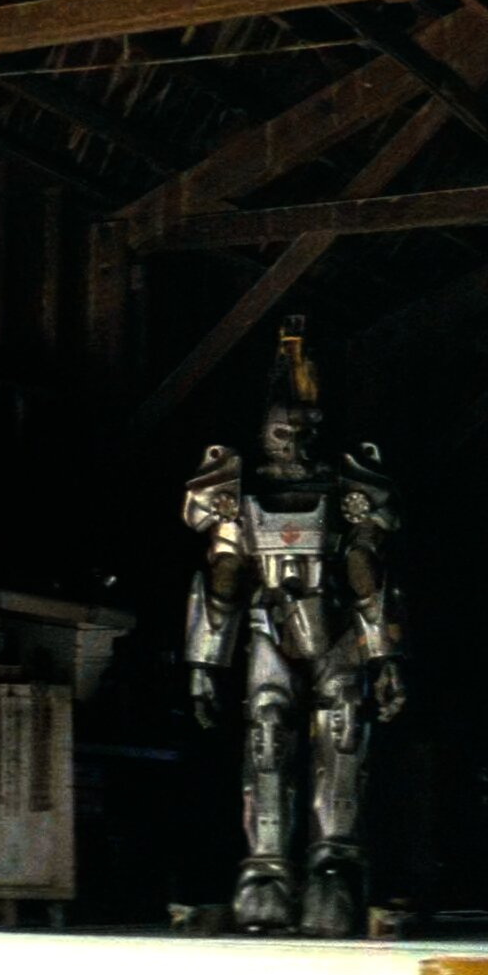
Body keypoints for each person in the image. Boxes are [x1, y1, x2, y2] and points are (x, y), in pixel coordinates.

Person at [182, 323, 405, 936]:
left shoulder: (352, 484)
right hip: (267, 624)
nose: (296, 441)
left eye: (307, 428)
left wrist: (385, 656)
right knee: (268, 736)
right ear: (263, 431)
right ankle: (267, 867)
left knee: (342, 734)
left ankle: (336, 863)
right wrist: (204, 664)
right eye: (284, 430)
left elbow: (366, 572)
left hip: (337, 629)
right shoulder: (233, 490)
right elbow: (223, 576)